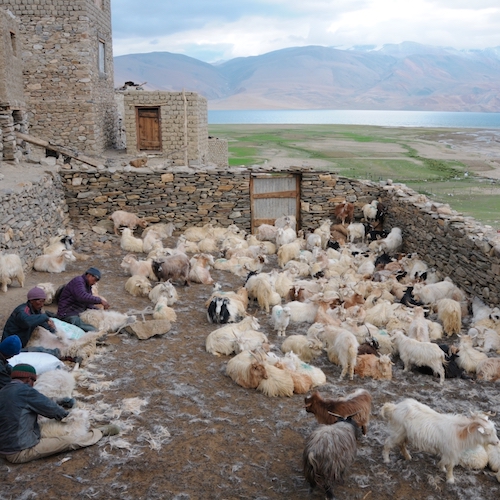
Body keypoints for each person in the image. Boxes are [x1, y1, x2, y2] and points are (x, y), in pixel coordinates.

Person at [0, 363, 119, 464]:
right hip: (18, 451)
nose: (33, 384)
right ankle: (100, 432)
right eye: (33, 381)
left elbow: (27, 406)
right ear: (28, 379)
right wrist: (68, 416)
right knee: (70, 441)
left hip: (3, 446)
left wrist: (60, 402)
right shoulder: (26, 391)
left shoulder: (4, 390)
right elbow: (50, 408)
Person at [1, 288, 60, 355]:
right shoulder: (22, 311)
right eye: (40, 301)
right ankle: (60, 354)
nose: (42, 304)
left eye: (43, 301)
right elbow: (27, 322)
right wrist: (45, 317)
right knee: (40, 350)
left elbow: (42, 323)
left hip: (21, 343)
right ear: (31, 301)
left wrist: (53, 330)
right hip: (10, 347)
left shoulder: (36, 310)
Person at [57, 267, 110, 332]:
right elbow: (81, 296)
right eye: (94, 280)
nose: (95, 283)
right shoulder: (78, 281)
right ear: (89, 275)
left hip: (77, 312)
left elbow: (88, 304)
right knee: (92, 330)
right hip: (67, 313)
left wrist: (99, 311)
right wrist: (100, 300)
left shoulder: (87, 286)